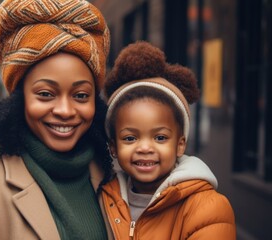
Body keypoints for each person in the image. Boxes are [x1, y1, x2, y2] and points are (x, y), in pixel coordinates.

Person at [0, 0, 114, 239]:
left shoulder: (115, 174)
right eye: (46, 94)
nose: (65, 110)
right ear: (19, 97)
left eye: (80, 95)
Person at [101, 41, 236, 239]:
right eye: (130, 138)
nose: (145, 147)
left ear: (180, 144)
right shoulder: (105, 198)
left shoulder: (208, 209)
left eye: (160, 137)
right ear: (113, 147)